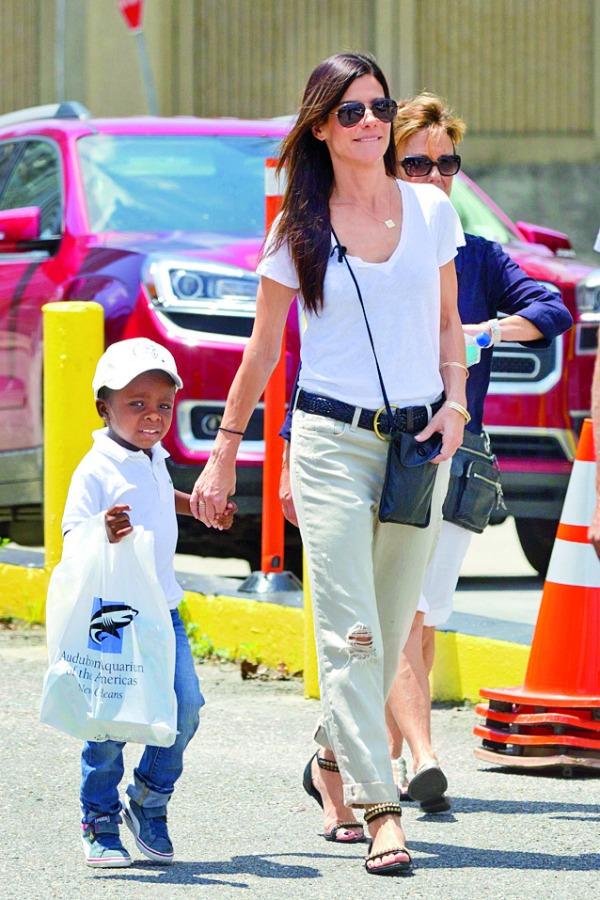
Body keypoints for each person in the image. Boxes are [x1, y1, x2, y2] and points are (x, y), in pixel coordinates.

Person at [190, 53, 467, 876]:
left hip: (420, 444)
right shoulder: (299, 229)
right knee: (352, 634)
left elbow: (451, 322)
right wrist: (226, 452)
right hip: (329, 442)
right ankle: (384, 812)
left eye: (379, 107)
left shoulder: (429, 210)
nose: (372, 123)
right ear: (320, 127)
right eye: (351, 112)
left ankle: (329, 755)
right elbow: (265, 345)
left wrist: (455, 407)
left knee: (382, 633)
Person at [383, 93, 573, 810]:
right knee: (401, 615)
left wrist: (487, 330)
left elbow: (550, 310)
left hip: (463, 457)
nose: (435, 176)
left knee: (424, 616)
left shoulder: (480, 255)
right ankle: (411, 755)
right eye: (418, 162)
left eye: (448, 162)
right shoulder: (375, 246)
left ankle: (389, 754)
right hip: (391, 448)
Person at [61, 337, 236, 868]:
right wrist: (103, 529)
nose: (153, 417)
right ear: (104, 407)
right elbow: (72, 535)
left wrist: (197, 507)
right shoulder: (95, 467)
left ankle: (149, 799)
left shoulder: (153, 457)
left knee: (185, 707)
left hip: (163, 608)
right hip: (112, 616)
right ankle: (99, 819)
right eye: (137, 404)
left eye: (163, 404)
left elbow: (158, 497)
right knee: (111, 720)